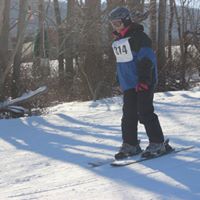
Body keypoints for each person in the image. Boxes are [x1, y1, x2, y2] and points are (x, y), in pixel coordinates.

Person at [109, 7, 169, 160]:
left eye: (117, 23)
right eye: (112, 24)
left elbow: (147, 59)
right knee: (128, 115)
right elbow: (121, 62)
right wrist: (118, 80)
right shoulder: (118, 40)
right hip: (128, 83)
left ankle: (158, 142)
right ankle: (131, 144)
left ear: (126, 21)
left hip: (143, 81)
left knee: (145, 112)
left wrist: (144, 80)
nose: (115, 27)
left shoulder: (139, 37)